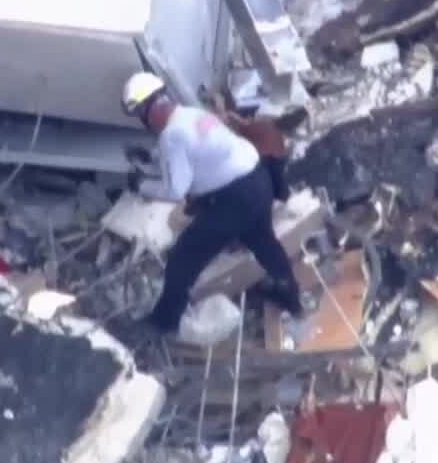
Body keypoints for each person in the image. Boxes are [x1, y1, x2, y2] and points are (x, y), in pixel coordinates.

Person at [121, 72, 304, 334]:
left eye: (140, 113)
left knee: (183, 259)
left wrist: (141, 185)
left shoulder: (171, 135)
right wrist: (152, 158)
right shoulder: (190, 114)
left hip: (233, 198)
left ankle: (163, 323)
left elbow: (176, 189)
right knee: (263, 240)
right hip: (258, 178)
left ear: (149, 108)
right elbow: (194, 151)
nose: (142, 121)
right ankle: (290, 296)